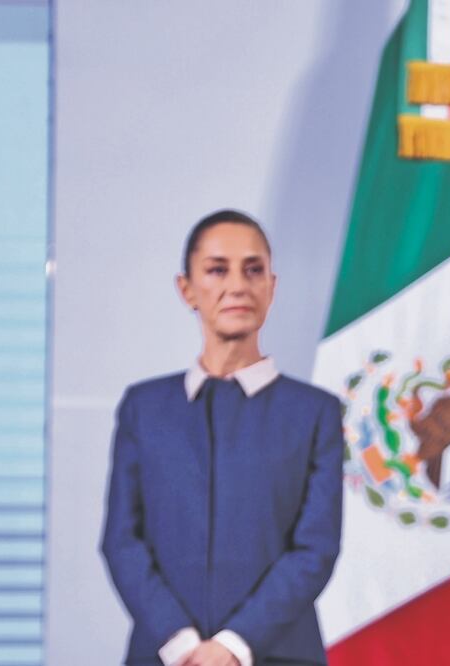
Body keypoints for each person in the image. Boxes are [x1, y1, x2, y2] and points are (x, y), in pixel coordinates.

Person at [101, 211, 344, 665]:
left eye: (253, 270)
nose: (237, 285)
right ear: (186, 288)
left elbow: (315, 548)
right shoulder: (144, 408)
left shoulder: (315, 413)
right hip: (165, 655)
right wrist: (183, 644)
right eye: (217, 269)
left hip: (278, 655)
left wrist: (232, 646)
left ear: (271, 287)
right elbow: (122, 541)